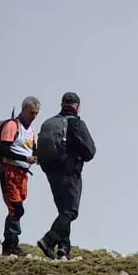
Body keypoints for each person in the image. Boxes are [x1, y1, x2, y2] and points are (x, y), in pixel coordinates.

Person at [33, 91, 97, 259]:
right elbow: (90, 151)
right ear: (77, 106)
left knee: (63, 211)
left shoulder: (50, 123)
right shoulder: (76, 124)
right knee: (70, 211)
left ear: (62, 104)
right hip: (70, 172)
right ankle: (49, 239)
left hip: (51, 172)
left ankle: (63, 248)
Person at [0, 96, 41, 256]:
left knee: (18, 207)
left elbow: (33, 149)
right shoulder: (13, 125)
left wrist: (36, 158)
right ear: (24, 109)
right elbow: (4, 149)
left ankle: (11, 243)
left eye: (36, 113)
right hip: (10, 171)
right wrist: (24, 158)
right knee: (16, 208)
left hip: (23, 173)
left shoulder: (31, 130)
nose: (34, 116)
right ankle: (11, 243)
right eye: (32, 113)